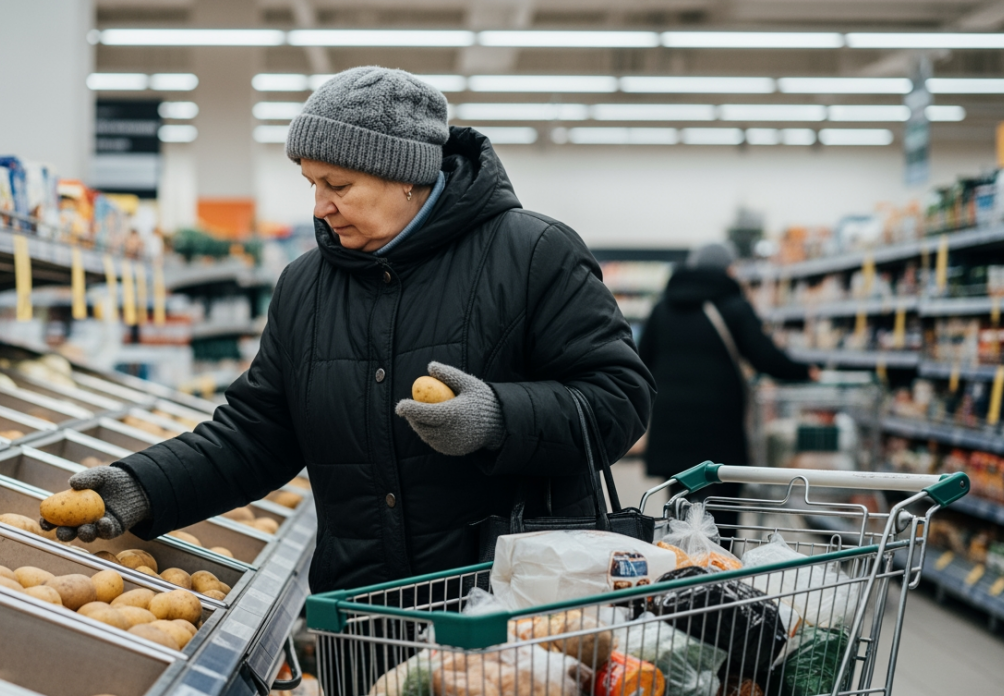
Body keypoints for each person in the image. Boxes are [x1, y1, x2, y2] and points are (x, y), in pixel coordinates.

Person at [42, 67, 654, 596]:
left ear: (408, 176)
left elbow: (620, 400)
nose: (319, 208)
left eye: (338, 186)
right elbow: (256, 435)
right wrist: (144, 485)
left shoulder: (533, 254)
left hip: (510, 606)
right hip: (366, 612)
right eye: (312, 184)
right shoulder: (305, 287)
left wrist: (498, 418)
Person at [638, 242, 817, 527]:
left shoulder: (662, 308)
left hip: (671, 427)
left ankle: (683, 566)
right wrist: (804, 372)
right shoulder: (734, 306)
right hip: (717, 428)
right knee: (721, 510)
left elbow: (641, 360)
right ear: (728, 269)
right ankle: (720, 567)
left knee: (680, 509)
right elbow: (764, 356)